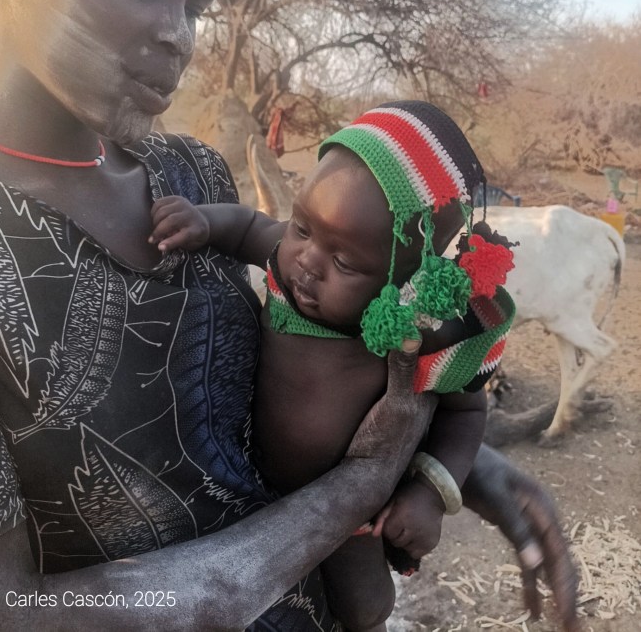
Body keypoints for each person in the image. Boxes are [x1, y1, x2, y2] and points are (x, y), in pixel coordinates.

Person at [0, 0, 581, 632]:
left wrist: (470, 471)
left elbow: (284, 383)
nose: (177, 36)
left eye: (196, 5)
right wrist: (355, 490)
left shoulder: (188, 176)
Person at [149, 100, 516, 630]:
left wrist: (431, 495)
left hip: (344, 509)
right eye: (303, 227)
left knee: (365, 606)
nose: (308, 260)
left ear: (407, 276)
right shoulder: (290, 255)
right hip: (244, 483)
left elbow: (465, 412)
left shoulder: (419, 328)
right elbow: (249, 225)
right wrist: (204, 221)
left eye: (344, 261)